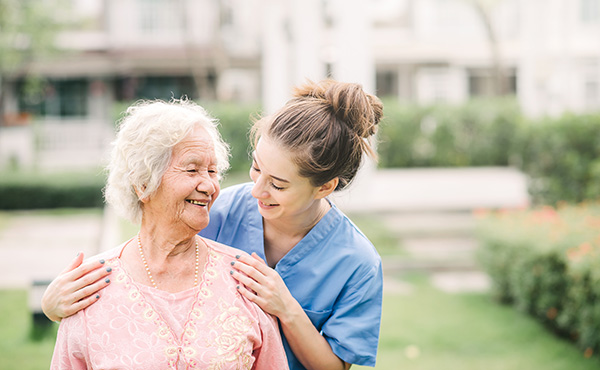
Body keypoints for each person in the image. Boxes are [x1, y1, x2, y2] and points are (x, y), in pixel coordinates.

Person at [44, 79, 384, 370]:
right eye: (255, 168)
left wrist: (286, 308)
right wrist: (56, 304)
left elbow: (337, 366)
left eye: (277, 184)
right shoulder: (219, 209)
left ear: (325, 187)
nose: (257, 190)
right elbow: (154, 243)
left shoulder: (357, 263)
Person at [50, 99, 288, 370]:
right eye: (192, 169)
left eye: (212, 171)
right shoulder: (90, 288)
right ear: (143, 183)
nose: (209, 185)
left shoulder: (244, 277)